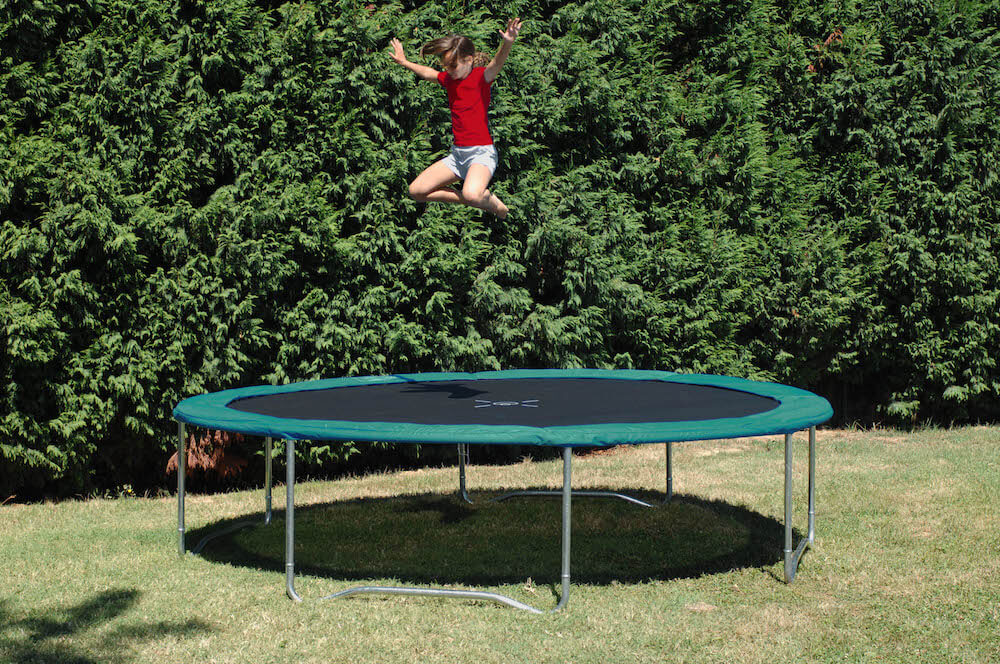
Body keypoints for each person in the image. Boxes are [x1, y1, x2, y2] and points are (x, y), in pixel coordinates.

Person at [390, 18, 523, 219]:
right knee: (416, 191)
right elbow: (428, 73)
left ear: (468, 60)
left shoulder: (481, 78)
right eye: (446, 67)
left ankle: (491, 203)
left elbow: (497, 62)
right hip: (458, 156)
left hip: (481, 155)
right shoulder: (449, 80)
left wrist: (508, 42)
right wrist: (404, 62)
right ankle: (475, 199)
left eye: (453, 66)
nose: (448, 71)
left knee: (472, 194)